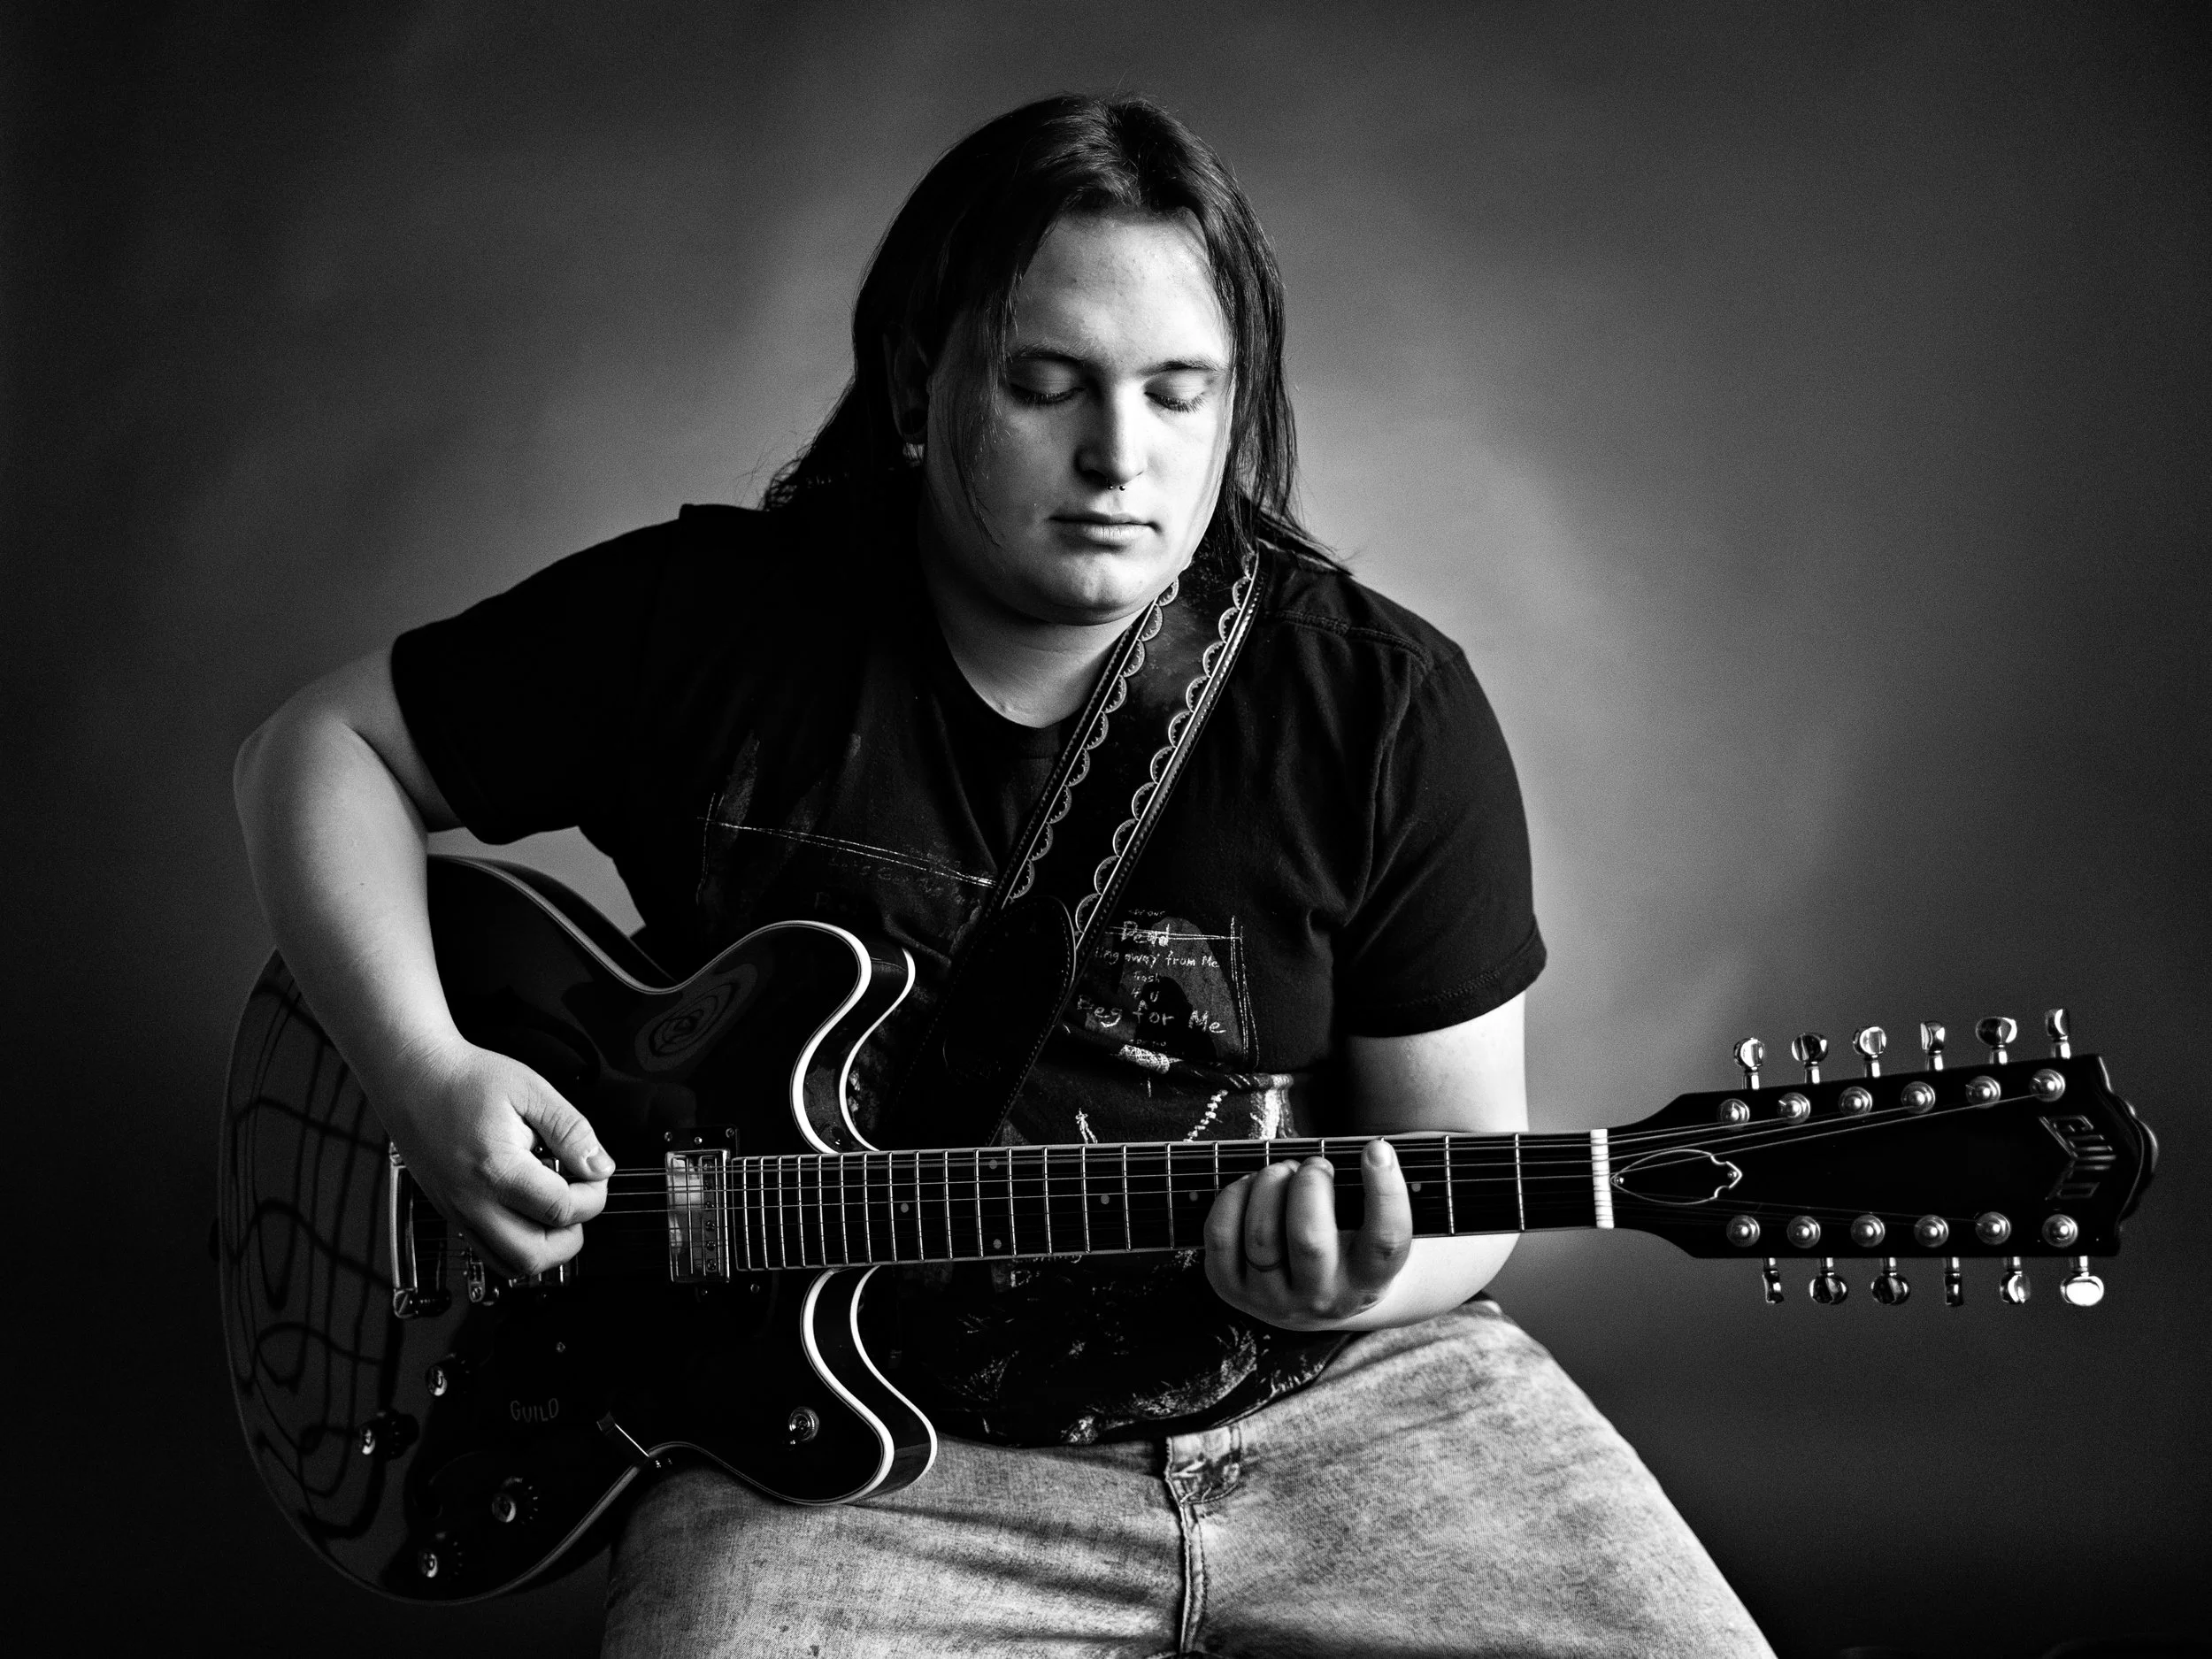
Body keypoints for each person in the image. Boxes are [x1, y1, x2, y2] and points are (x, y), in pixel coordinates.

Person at [234, 95, 1772, 1658]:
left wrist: (1362, 1273)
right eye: (1050, 385)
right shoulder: (707, 627)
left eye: (1183, 395)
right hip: (839, 1458)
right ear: (920, 375)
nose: (1124, 459)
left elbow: (1463, 1166)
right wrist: (424, 1075)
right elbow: (319, 752)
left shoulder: (1382, 707)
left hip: (1331, 1409)